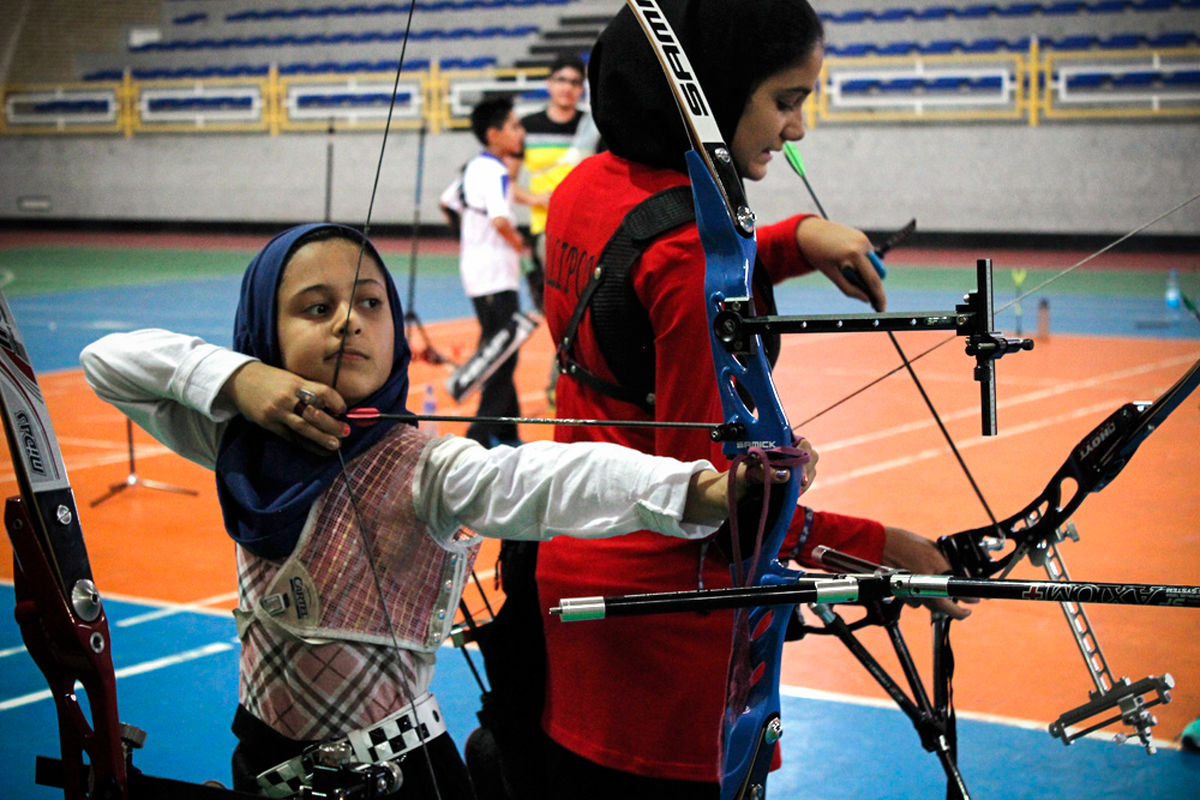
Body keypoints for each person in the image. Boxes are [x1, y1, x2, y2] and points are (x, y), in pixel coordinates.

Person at [78, 223, 811, 799]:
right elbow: (108, 360)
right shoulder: (239, 441)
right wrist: (238, 381)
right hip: (266, 760)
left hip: (399, 777)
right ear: (264, 335)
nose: (348, 324)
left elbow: (551, 479)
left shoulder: (424, 465)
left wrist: (704, 491)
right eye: (315, 307)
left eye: (370, 304)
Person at [534, 1, 973, 797]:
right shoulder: (683, 255)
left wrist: (794, 237)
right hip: (672, 639)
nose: (798, 128)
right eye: (785, 99)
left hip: (575, 579)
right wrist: (884, 546)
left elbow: (637, 289)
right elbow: (717, 506)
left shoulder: (585, 186)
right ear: (708, 91)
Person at [438, 95, 528, 448]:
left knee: (499, 347)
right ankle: (478, 434)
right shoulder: (493, 169)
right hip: (493, 273)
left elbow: (447, 201)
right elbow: (500, 219)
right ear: (494, 134)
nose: (520, 133)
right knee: (504, 354)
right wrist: (519, 243)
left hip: (480, 269)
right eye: (514, 126)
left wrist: (468, 238)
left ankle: (507, 431)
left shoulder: (475, 166)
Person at [519, 54, 600, 310]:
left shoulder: (592, 126)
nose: (568, 87)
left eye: (575, 82)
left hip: (586, 224)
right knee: (560, 298)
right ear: (549, 84)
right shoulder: (527, 126)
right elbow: (502, 179)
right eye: (561, 80)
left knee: (587, 295)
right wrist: (533, 199)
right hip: (546, 225)